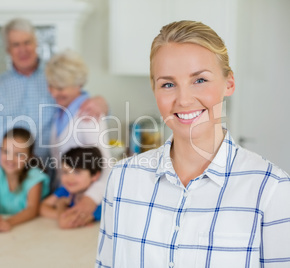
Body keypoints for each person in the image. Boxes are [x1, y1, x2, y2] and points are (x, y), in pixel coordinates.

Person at [96, 20, 290, 267]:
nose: (184, 100)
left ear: (229, 83)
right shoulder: (122, 179)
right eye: (168, 84)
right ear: (155, 90)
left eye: (199, 80)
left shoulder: (272, 189)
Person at [0, 18, 109, 221]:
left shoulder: (52, 78)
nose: (23, 49)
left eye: (27, 42)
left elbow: (79, 103)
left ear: (36, 43)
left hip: (46, 182)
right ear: (7, 49)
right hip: (7, 185)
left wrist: (102, 104)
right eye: (16, 44)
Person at [44, 50, 111, 227]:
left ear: (78, 85)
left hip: (88, 205)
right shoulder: (60, 112)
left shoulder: (89, 115)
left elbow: (105, 168)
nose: (53, 93)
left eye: (59, 88)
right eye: (50, 86)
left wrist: (89, 201)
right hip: (68, 194)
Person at [0, 128, 49, 232]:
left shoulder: (35, 177)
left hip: (28, 230)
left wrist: (8, 222)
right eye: (6, 152)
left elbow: (32, 209)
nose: (10, 159)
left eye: (19, 154)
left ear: (29, 157)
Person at [40, 147, 103, 229]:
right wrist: (63, 215)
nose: (70, 178)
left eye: (77, 172)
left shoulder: (96, 204)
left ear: (95, 175)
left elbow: (65, 223)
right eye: (65, 172)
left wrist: (60, 205)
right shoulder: (65, 191)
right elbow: (42, 207)